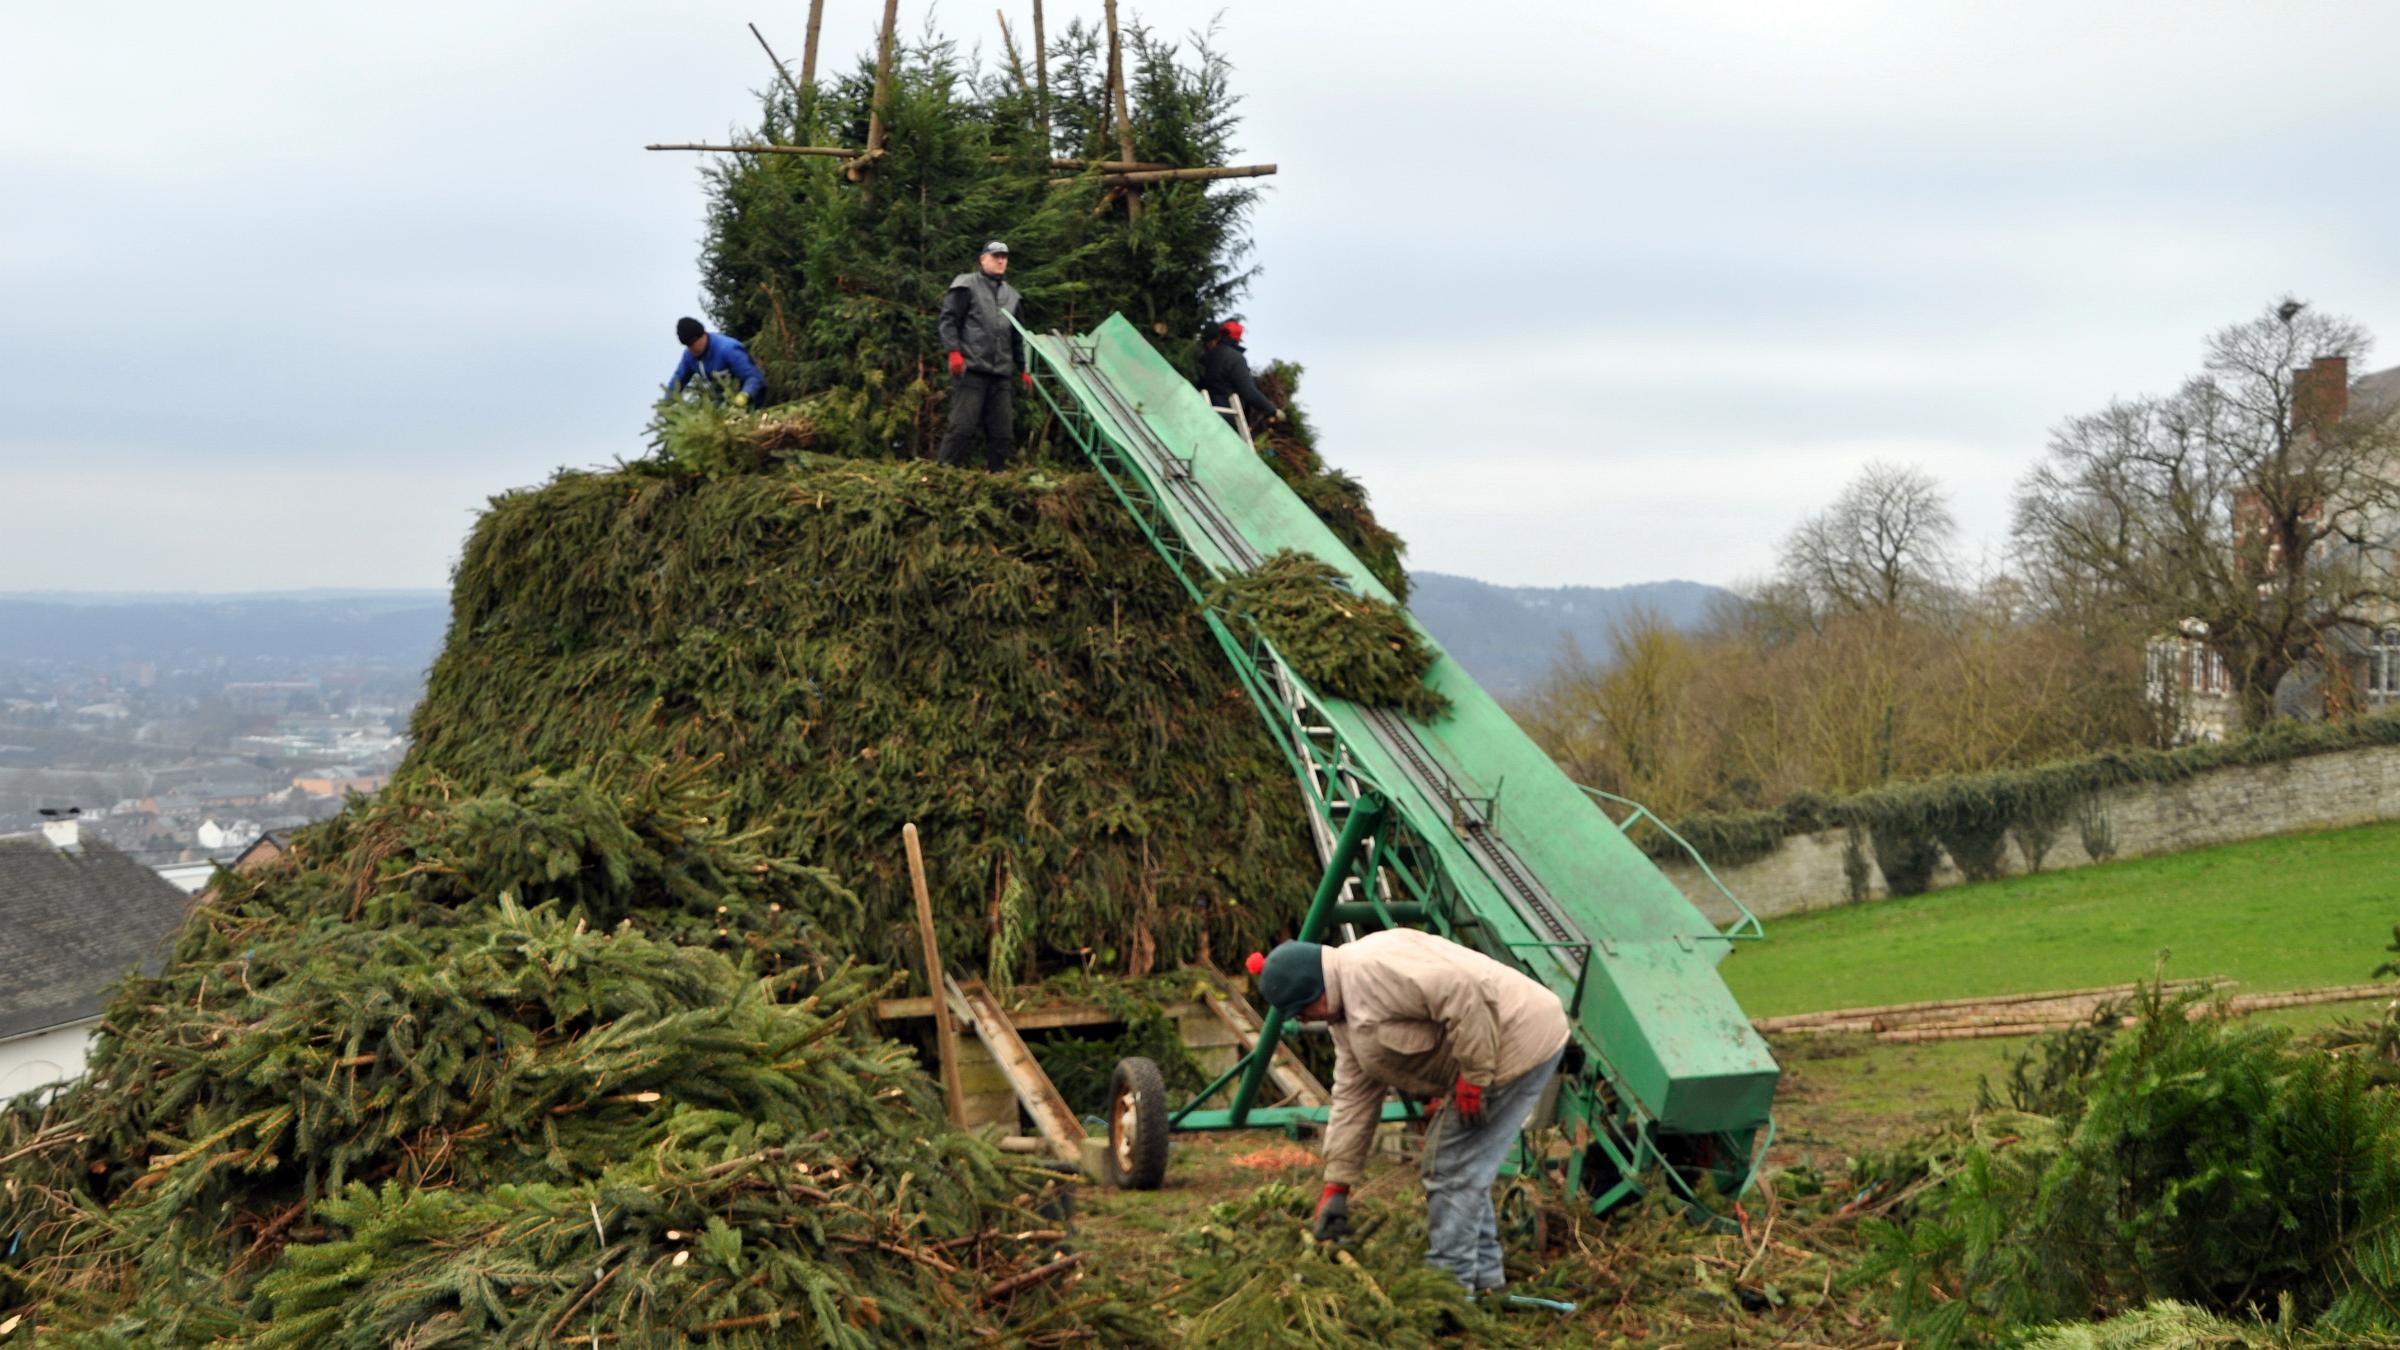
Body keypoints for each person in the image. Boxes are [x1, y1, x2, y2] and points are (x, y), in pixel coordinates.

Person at [1255, 930, 1570, 1293]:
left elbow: (1466, 990)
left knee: (1449, 1165)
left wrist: (1474, 1076)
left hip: (1517, 1041)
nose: (1309, 1019)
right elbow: (1352, 1099)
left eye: (1305, 1009)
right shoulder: (1344, 1019)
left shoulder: (1374, 969)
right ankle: (1485, 1279)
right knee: (1464, 1167)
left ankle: (1449, 1284)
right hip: (1489, 1056)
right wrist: (1336, 1185)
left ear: (1317, 989)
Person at [937, 241, 1031, 469]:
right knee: (962, 427)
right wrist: (954, 352)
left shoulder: (1013, 296)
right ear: (983, 259)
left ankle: (996, 479)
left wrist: (1024, 369)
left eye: (1004, 257)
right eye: (995, 256)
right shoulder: (966, 285)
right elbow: (948, 321)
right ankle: (941, 475)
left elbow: (1017, 337)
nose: (1000, 261)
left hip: (1001, 375)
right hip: (971, 370)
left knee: (1003, 433)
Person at [1198, 319, 1281, 437]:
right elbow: (1249, 392)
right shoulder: (1235, 359)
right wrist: (1272, 410)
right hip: (1227, 420)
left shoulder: (1207, 356)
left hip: (1204, 412)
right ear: (1237, 339)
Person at [666, 317, 765, 405]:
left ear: (702, 336)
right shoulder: (689, 356)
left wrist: (745, 394)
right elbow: (677, 381)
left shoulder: (728, 349)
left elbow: (753, 376)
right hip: (722, 404)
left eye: (692, 344)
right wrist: (665, 405)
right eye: (687, 346)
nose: (691, 349)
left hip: (752, 401)